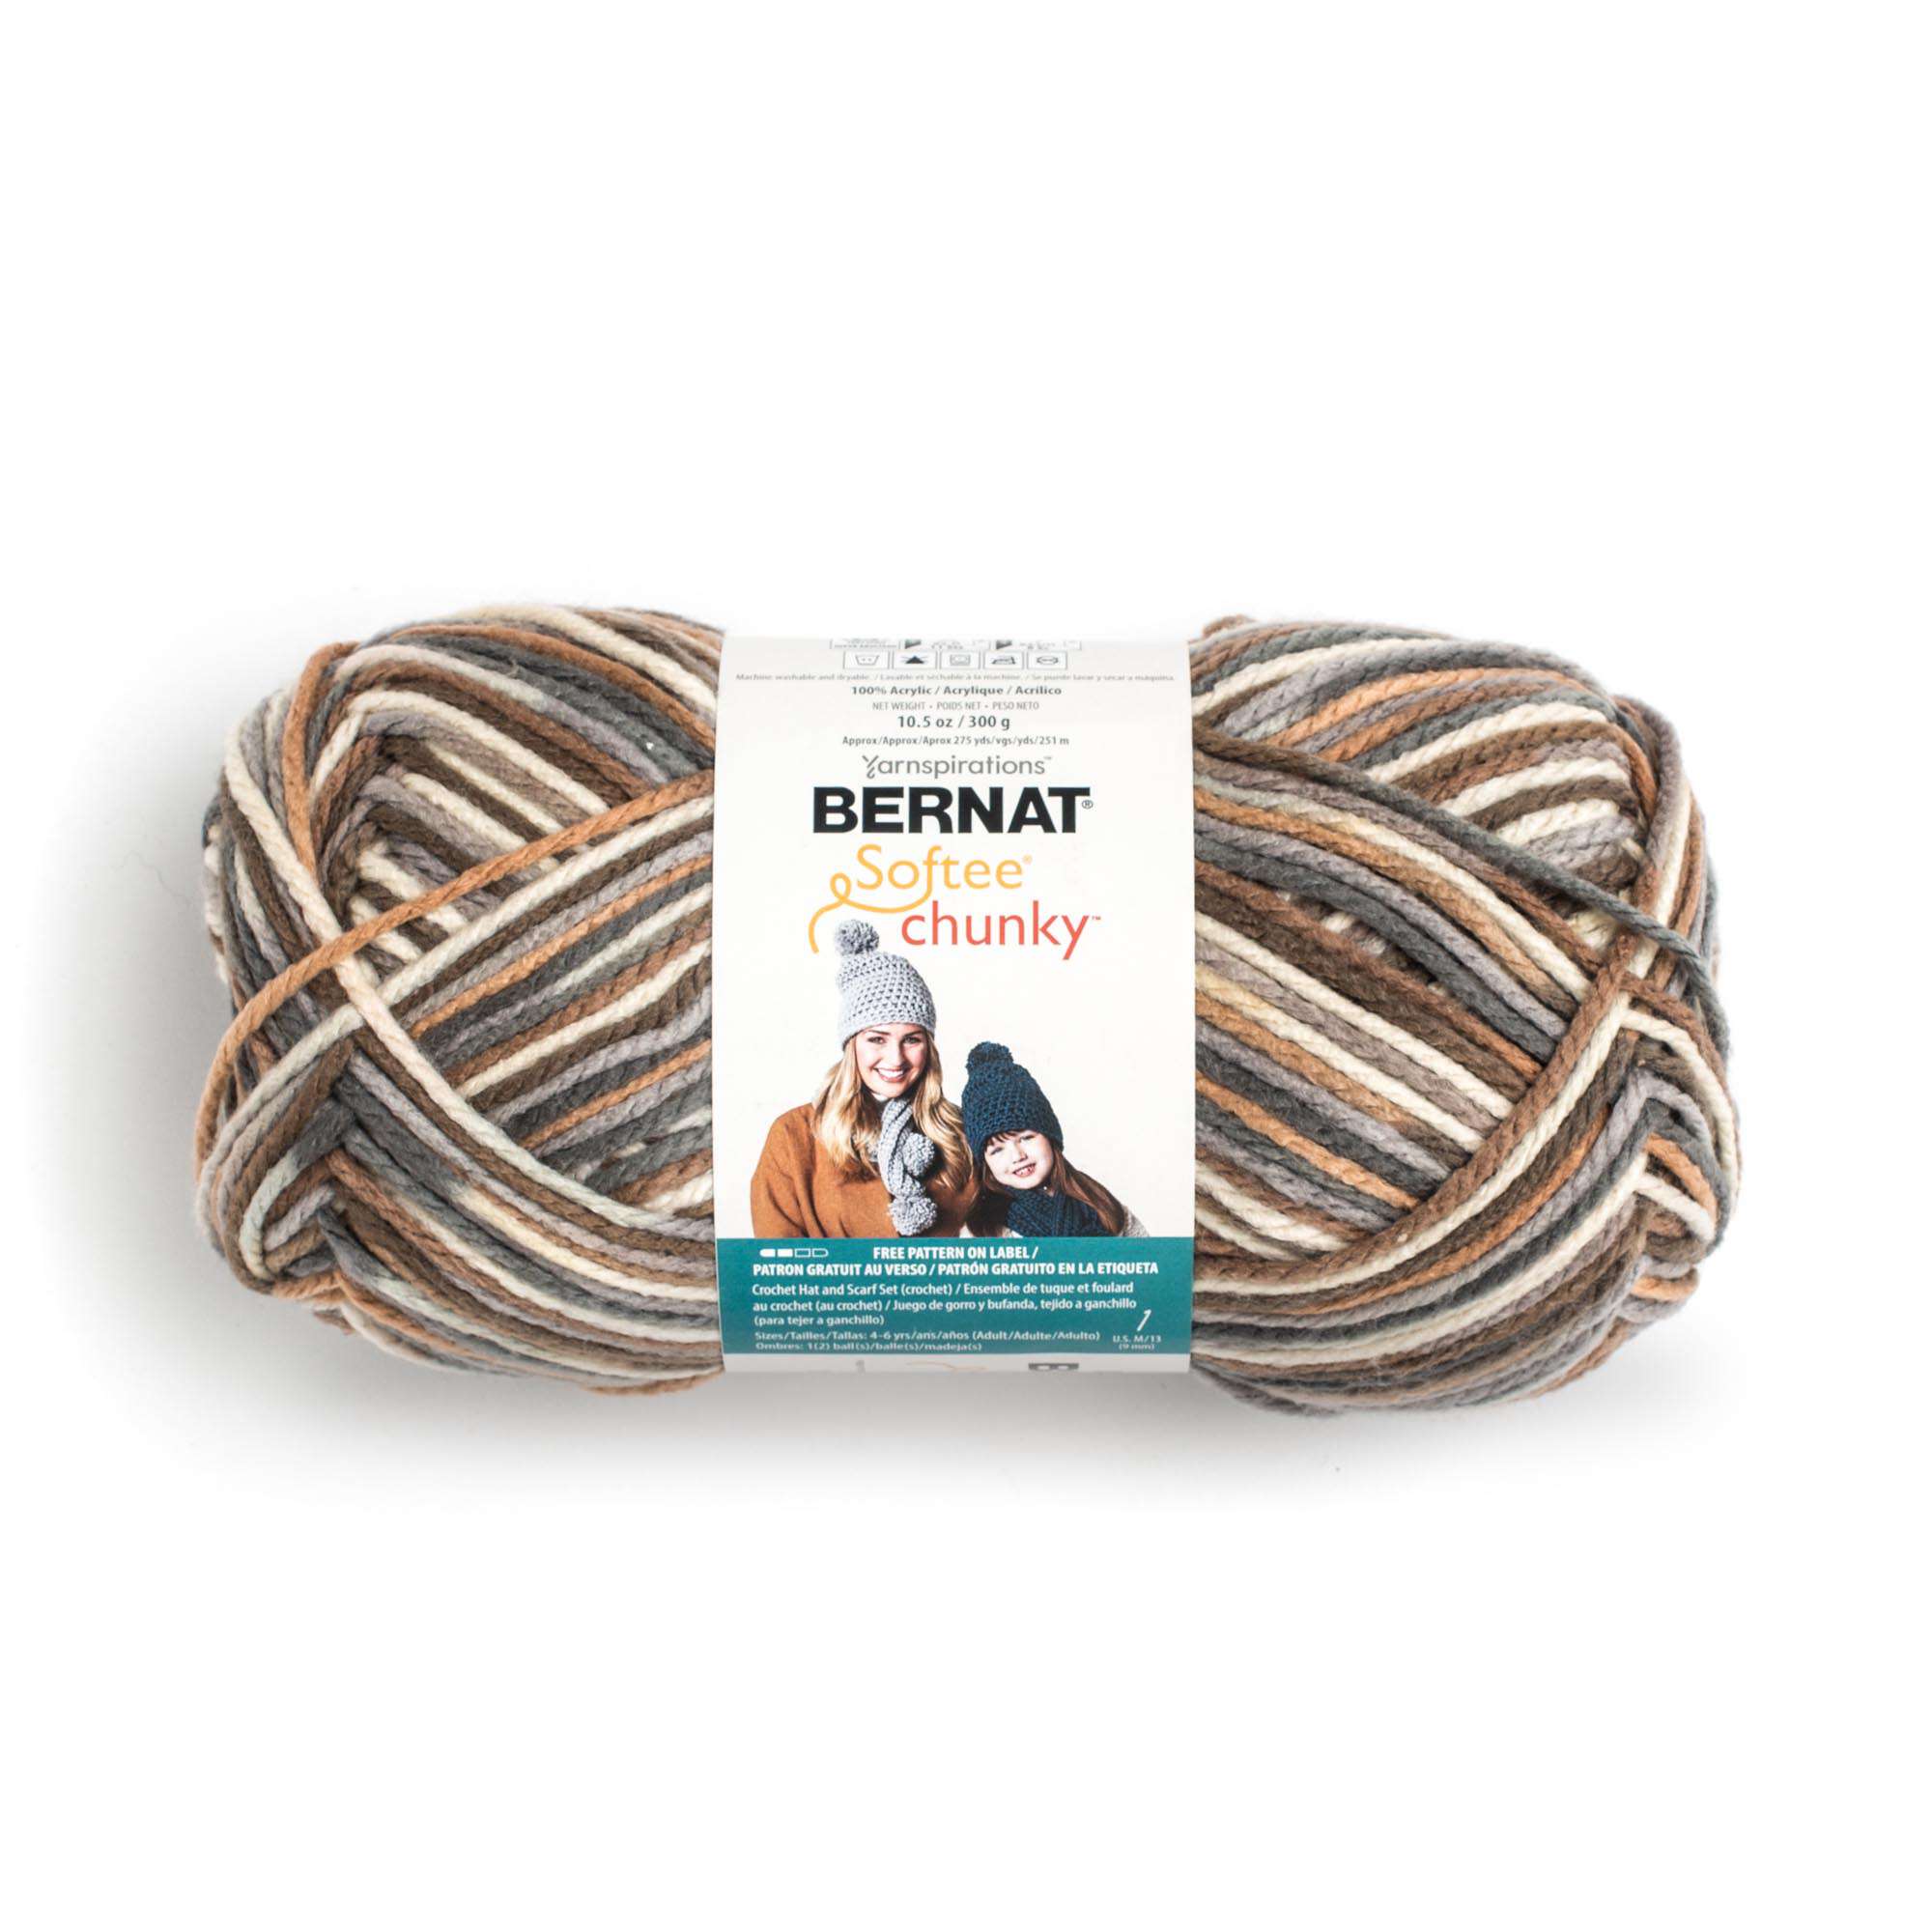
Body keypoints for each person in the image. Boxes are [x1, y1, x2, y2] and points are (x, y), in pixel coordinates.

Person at [749, 921, 974, 1237]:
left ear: (929, 1047)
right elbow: (775, 1256)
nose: (895, 1059)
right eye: (877, 1039)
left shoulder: (959, 1132)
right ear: (852, 1045)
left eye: (911, 1039)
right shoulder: (793, 1135)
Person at [959, 1042, 1147, 1237]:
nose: (1017, 1156)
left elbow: (1148, 1254)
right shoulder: (983, 1230)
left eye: (1026, 1138)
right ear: (985, 1162)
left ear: (1050, 1135)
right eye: (997, 1150)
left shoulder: (1099, 1202)